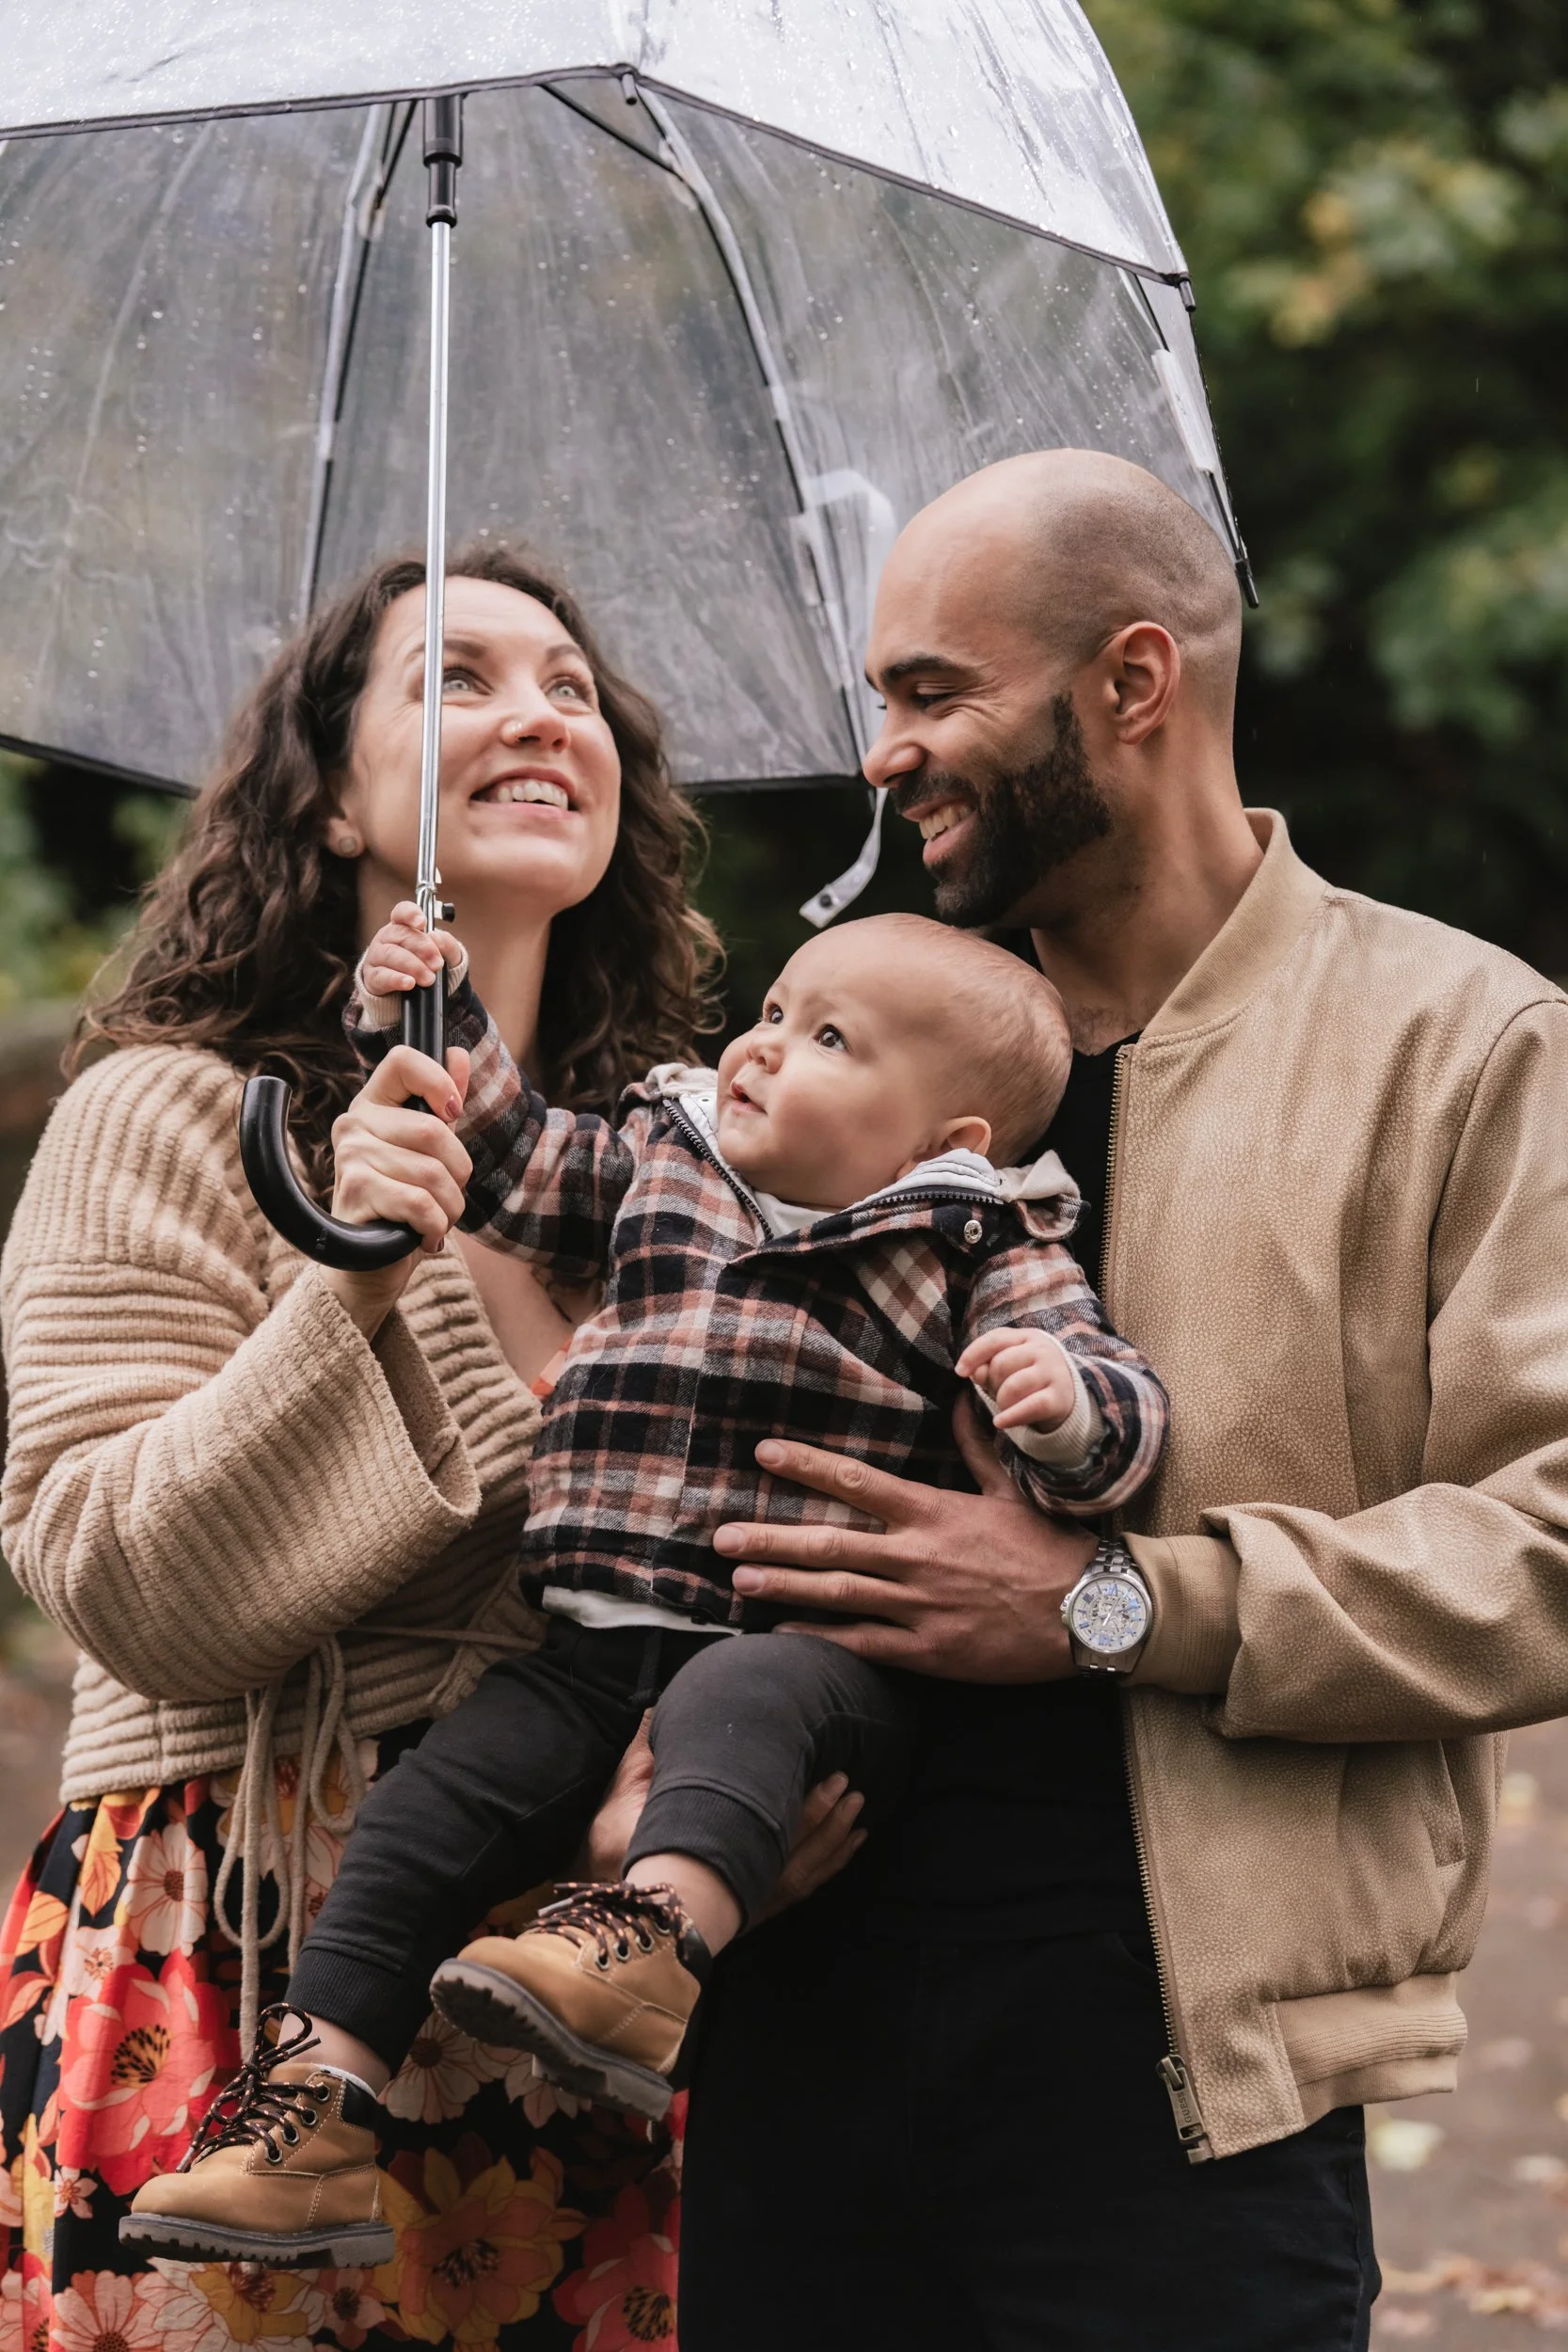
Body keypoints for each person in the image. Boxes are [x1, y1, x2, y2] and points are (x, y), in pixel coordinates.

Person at [667, 449, 1568, 2352]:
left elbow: (1539, 1541)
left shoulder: (1458, 1043)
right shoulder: (860, 1034)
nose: (882, 754)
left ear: (1129, 684)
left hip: (1185, 2091)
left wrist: (1110, 1605)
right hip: (786, 2034)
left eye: (928, 691)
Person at [0, 544, 856, 2351]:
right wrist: (352, 1278)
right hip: (241, 1961)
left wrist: (712, 1826)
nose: (538, 711)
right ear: (319, 801)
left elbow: (818, 1555)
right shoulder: (162, 1113)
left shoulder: (690, 1181)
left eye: (569, 685)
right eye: (453, 678)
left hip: (581, 2002)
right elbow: (118, 1583)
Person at [119, 905, 1170, 2265]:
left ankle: (646, 1949)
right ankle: (311, 2106)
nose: (766, 1046)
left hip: (805, 1658)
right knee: (428, 1807)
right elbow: (511, 1157)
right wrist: (430, 1011)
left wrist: (1063, 1411)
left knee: (736, 1701)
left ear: (946, 1143)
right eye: (777, 1012)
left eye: (830, 1039)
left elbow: (1118, 1408)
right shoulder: (662, 1160)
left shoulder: (977, 1240)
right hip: (588, 1640)